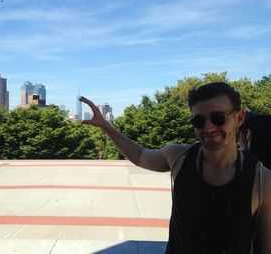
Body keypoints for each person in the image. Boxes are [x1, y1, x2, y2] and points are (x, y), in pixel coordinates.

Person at [80, 82, 271, 254]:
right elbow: (139, 155)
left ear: (239, 118)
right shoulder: (178, 158)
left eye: (218, 118)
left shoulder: (262, 180)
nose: (208, 127)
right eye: (199, 121)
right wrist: (105, 126)